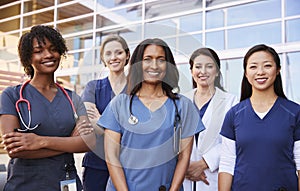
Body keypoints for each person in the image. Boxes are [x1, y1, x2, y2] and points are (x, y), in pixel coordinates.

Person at [97, 38, 205, 191]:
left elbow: (183, 158)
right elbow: (111, 156)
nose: (154, 65)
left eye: (161, 60)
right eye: (147, 59)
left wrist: (173, 189)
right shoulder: (119, 104)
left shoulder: (183, 105)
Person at [0, 25, 94, 191]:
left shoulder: (73, 98)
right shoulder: (12, 96)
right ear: (28, 57)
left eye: (53, 49)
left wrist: (39, 141)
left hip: (66, 182)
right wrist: (69, 143)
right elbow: (14, 149)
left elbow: (88, 142)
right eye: (39, 51)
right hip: (26, 185)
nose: (48, 55)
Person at [218, 44, 300, 191]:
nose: (260, 72)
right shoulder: (234, 114)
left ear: (278, 69)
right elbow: (227, 164)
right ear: (246, 73)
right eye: (253, 67)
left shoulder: (294, 112)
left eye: (267, 66)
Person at [183, 48, 238, 191]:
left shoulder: (231, 101)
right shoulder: (181, 101)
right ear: (191, 71)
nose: (203, 71)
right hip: (184, 177)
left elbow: (234, 141)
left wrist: (203, 163)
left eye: (209, 66)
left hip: (213, 177)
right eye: (198, 66)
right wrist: (186, 168)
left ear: (217, 71)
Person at [80, 35, 130, 191]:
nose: (113, 57)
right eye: (108, 54)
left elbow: (137, 130)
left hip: (128, 166)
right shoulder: (93, 87)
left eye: (118, 53)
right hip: (96, 165)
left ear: (127, 55)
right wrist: (121, 126)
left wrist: (101, 121)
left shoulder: (136, 90)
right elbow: (86, 123)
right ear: (103, 58)